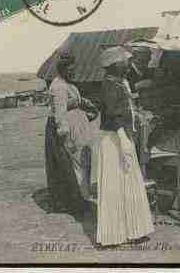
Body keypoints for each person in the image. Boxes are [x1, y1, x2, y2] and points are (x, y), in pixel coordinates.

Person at [95, 46, 154, 248]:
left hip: (123, 135)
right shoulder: (109, 85)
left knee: (129, 181)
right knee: (114, 182)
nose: (128, 64)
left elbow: (125, 108)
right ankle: (114, 234)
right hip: (113, 137)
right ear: (114, 65)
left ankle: (134, 229)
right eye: (125, 61)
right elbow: (112, 113)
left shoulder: (120, 82)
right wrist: (122, 137)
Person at [44, 52, 94, 218]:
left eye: (74, 69)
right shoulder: (58, 86)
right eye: (70, 70)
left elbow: (73, 101)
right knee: (69, 165)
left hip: (74, 126)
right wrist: (64, 135)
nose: (74, 73)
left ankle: (80, 198)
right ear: (63, 70)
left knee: (78, 163)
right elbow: (60, 113)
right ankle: (73, 203)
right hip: (62, 129)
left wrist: (83, 103)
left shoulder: (68, 84)